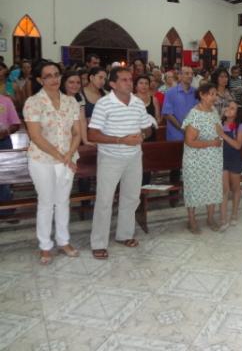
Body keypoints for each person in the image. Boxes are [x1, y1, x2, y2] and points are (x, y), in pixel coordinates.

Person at [88, 67, 153, 260]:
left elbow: (147, 128)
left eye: (130, 79)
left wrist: (141, 134)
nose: (129, 83)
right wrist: (121, 140)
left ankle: (124, 234)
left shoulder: (138, 103)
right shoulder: (104, 104)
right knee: (105, 200)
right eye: (124, 80)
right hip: (110, 157)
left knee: (131, 198)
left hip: (134, 157)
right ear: (113, 84)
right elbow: (93, 134)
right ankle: (98, 242)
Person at [23, 61, 81, 265]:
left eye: (56, 74)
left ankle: (63, 240)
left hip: (67, 159)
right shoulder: (33, 102)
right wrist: (62, 157)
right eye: (48, 76)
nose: (54, 79)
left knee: (63, 201)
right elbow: (36, 137)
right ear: (40, 79)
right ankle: (45, 246)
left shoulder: (70, 101)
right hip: (43, 160)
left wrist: (69, 155)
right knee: (47, 202)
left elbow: (77, 133)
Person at [182, 82, 223, 233]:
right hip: (196, 159)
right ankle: (192, 220)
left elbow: (219, 130)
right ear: (202, 95)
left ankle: (210, 217)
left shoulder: (213, 111)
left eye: (215, 94)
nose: (214, 97)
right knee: (194, 188)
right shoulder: (194, 114)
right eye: (211, 94)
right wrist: (211, 142)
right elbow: (189, 141)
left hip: (212, 159)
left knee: (212, 187)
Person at [217, 101, 242, 229]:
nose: (228, 109)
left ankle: (234, 214)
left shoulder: (240, 126)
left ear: (237, 113)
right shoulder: (219, 124)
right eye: (227, 106)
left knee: (235, 188)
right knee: (224, 189)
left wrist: (223, 135)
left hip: (234, 159)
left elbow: (238, 145)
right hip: (222, 159)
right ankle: (223, 218)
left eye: (232, 108)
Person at [0, 80, 21, 217]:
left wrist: (6, 132)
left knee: (4, 179)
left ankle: (5, 210)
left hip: (3, 142)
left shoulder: (5, 101)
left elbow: (16, 123)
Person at [162, 66, 197, 141]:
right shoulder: (171, 92)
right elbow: (168, 114)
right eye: (187, 73)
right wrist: (183, 129)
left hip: (193, 135)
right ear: (180, 76)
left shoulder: (196, 92)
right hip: (175, 136)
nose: (190, 76)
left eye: (192, 74)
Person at [60, 70, 93, 146]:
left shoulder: (80, 97)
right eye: (71, 82)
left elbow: (82, 120)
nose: (75, 85)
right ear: (64, 83)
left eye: (78, 83)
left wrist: (85, 140)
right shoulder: (57, 97)